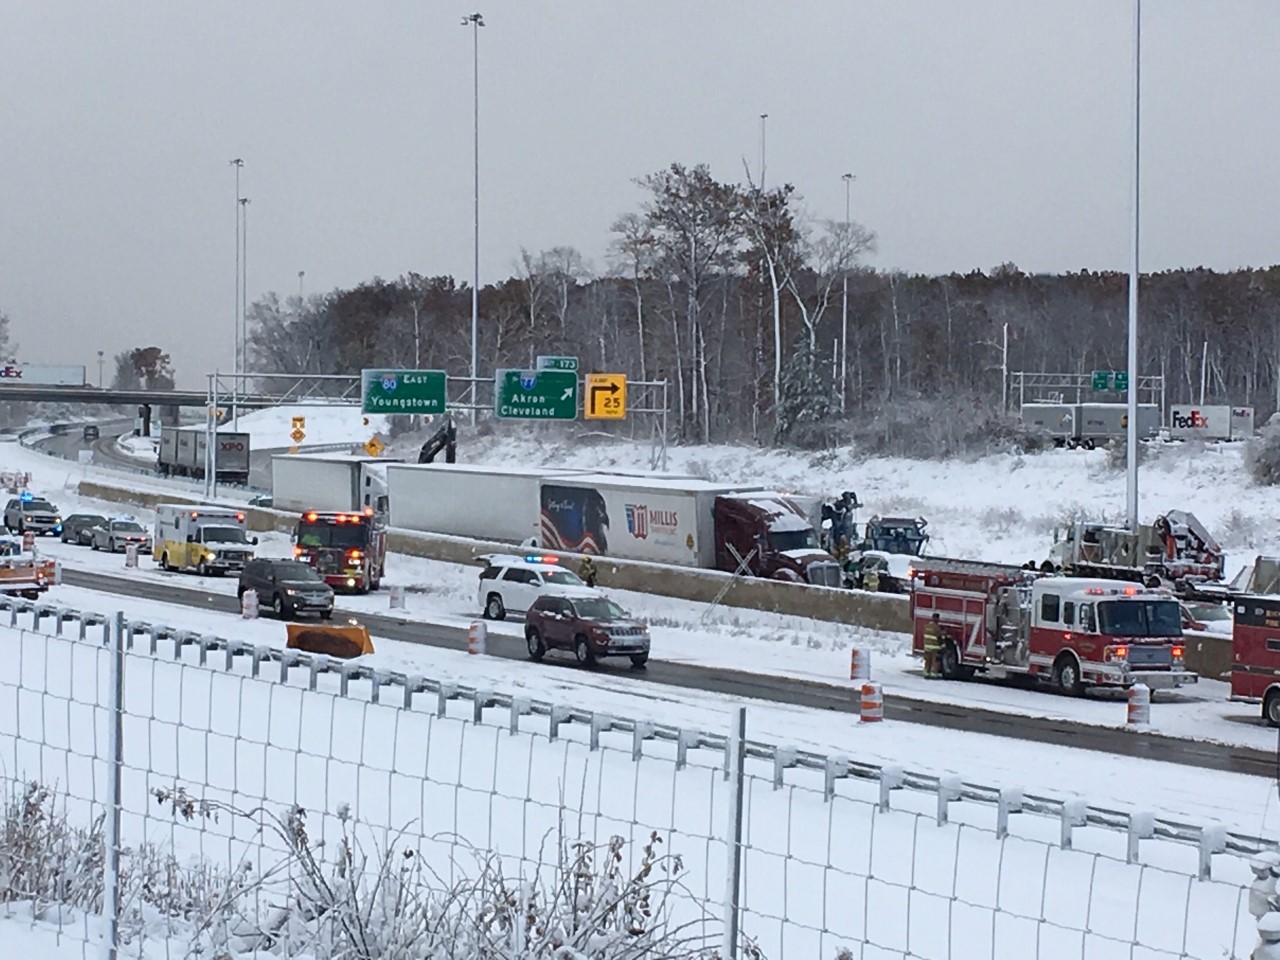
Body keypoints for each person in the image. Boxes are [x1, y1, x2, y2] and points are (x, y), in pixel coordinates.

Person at [923, 611, 944, 679]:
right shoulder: (936, 628)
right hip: (935, 648)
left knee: (928, 661)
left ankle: (926, 673)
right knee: (935, 661)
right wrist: (943, 646)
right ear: (937, 619)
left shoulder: (926, 626)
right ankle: (933, 674)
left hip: (927, 647)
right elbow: (939, 638)